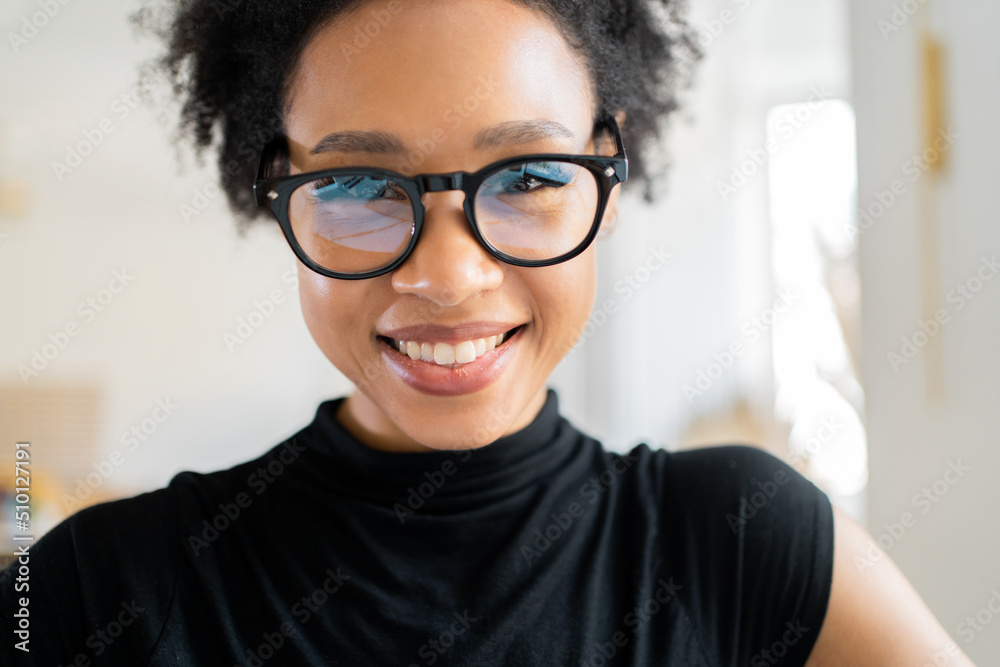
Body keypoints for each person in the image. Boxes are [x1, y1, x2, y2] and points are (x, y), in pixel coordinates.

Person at [0, 0, 977, 665]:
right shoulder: (97, 586)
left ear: (609, 165)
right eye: (353, 184)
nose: (446, 274)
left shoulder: (742, 540)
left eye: (528, 178)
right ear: (275, 189)